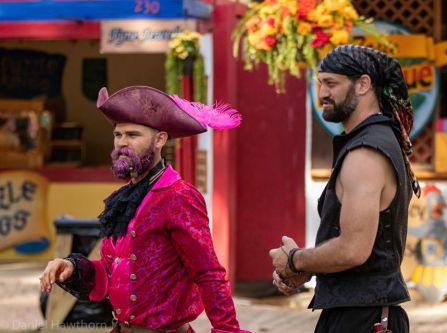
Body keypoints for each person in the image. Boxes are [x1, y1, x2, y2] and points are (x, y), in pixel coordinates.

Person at [39, 86, 251, 333]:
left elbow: (209, 273)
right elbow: (115, 273)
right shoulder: (122, 199)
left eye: (132, 135)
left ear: (160, 139)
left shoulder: (178, 196)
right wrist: (74, 267)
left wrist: (227, 329)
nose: (122, 143)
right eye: (117, 135)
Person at [269, 45, 421, 333]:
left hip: (365, 319)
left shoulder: (367, 152)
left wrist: (294, 260)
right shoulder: (371, 141)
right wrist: (305, 267)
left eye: (331, 83)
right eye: (319, 83)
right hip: (357, 313)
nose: (322, 93)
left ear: (363, 84)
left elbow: (353, 250)